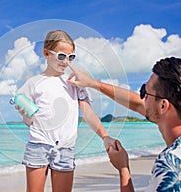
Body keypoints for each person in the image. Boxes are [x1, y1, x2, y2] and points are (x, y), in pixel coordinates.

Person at [67, 57, 181, 191]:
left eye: (145, 92)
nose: (142, 97)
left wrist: (123, 168)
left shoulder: (172, 167)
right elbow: (136, 103)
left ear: (163, 106)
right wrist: (93, 83)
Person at [15, 30, 114, 192]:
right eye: (61, 56)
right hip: (38, 145)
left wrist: (104, 136)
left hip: (65, 148)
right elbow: (29, 121)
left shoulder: (74, 82)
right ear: (46, 53)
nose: (66, 62)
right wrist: (24, 114)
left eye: (71, 57)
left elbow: (87, 112)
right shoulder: (33, 83)